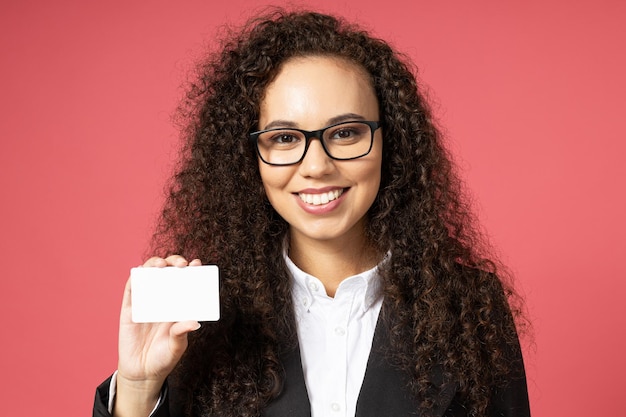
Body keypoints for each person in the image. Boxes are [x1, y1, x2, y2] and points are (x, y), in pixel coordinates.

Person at [93, 9, 530, 417]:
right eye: (284, 138)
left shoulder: (467, 305)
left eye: (345, 132)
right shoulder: (198, 315)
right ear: (249, 158)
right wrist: (138, 385)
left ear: (388, 143)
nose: (317, 166)